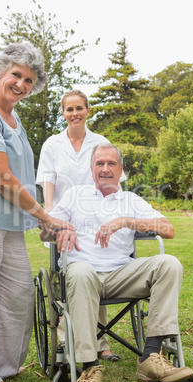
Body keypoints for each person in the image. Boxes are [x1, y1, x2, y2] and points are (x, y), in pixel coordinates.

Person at [0, 42, 74, 382]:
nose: (22, 84)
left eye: (29, 79)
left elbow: (22, 174)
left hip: (8, 221)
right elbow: (2, 177)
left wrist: (36, 217)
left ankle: (3, 366)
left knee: (18, 293)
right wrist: (45, 215)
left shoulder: (13, 115)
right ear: (0, 72)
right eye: (16, 75)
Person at [41, 143, 193, 382]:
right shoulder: (74, 195)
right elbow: (44, 229)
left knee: (169, 263)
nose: (105, 169)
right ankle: (89, 368)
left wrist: (125, 221)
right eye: (99, 163)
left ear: (121, 170)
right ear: (91, 169)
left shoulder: (130, 200)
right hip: (82, 274)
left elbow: (168, 229)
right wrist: (58, 227)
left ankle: (151, 357)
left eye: (111, 164)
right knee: (80, 273)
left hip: (121, 275)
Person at [36, 89, 126, 361]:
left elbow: (112, 178)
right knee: (70, 276)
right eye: (69, 109)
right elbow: (48, 178)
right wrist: (50, 212)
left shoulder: (99, 141)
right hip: (65, 217)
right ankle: (67, 339)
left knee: (98, 268)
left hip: (94, 217)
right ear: (63, 113)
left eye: (79, 108)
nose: (74, 113)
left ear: (88, 111)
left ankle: (102, 342)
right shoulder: (53, 144)